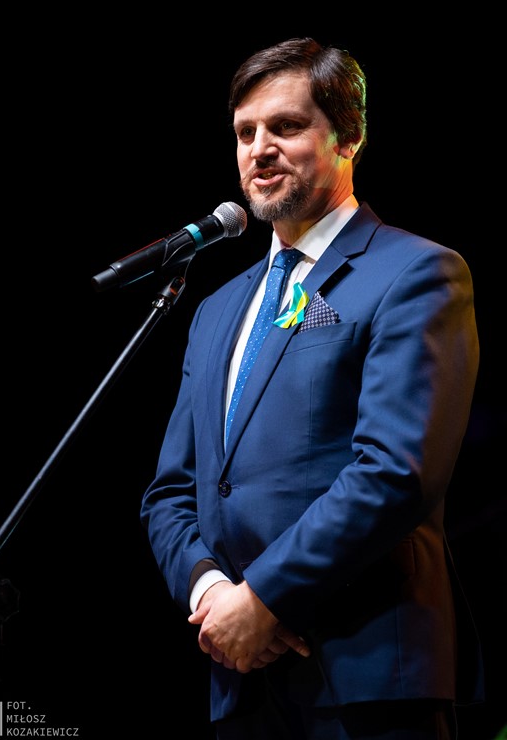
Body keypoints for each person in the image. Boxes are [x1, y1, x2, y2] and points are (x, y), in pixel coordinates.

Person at [140, 37, 484, 739]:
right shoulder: (215, 311)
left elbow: (395, 472)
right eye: (245, 133)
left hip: (368, 675)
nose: (259, 149)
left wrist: (264, 599)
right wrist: (213, 593)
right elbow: (171, 492)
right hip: (241, 678)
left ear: (348, 137)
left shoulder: (416, 273)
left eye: (286, 126)